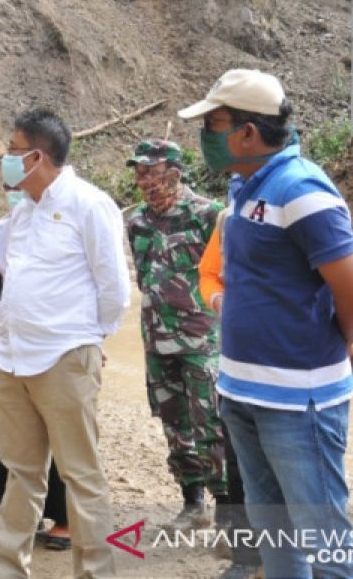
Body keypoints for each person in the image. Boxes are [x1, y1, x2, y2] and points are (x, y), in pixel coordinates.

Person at [179, 69, 353, 579]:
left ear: (248, 133)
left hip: (298, 402)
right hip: (244, 393)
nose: (206, 137)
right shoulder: (243, 188)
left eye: (213, 125)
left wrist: (336, 345)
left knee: (327, 543)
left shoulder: (301, 190)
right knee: (275, 538)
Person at [0, 108, 132, 579]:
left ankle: (95, 573)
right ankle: (11, 568)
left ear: (36, 156)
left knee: (81, 476)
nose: (5, 160)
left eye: (12, 151)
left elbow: (114, 288)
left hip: (64, 359)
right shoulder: (22, 213)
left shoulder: (88, 204)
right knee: (22, 472)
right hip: (11, 360)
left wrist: (87, 340)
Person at [123, 138, 226, 529]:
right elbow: (143, 279)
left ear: (175, 173)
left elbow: (224, 276)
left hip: (202, 341)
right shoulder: (137, 223)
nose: (143, 179)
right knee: (174, 423)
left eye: (151, 171)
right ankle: (193, 503)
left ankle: (228, 509)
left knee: (212, 423)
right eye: (139, 172)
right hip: (157, 340)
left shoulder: (209, 215)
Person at [0, 188, 69, 550]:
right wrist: (5, 316)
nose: (14, 195)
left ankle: (65, 516)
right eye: (9, 189)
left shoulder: (64, 224)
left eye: (21, 188)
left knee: (61, 426)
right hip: (8, 339)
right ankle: (11, 511)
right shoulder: (1, 229)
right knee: (9, 428)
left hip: (56, 337)